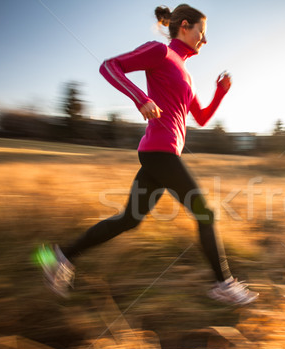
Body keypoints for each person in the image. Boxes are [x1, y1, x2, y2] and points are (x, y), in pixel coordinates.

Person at [36, 4, 258, 305]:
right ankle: (223, 284)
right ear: (183, 26)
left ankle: (60, 256)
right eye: (200, 33)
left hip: (159, 154)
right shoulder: (160, 52)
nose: (204, 40)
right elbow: (109, 66)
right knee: (206, 213)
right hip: (160, 152)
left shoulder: (185, 75)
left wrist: (220, 92)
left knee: (129, 219)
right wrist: (141, 98)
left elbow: (202, 118)